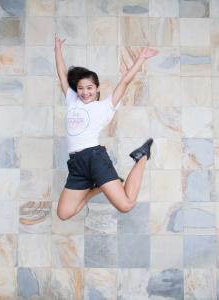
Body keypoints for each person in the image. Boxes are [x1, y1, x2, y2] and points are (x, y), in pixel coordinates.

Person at [55, 36, 158, 220]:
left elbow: (125, 82)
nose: (85, 92)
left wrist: (141, 58)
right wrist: (57, 49)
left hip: (94, 158)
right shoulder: (72, 101)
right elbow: (62, 74)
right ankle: (95, 189)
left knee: (126, 205)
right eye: (81, 88)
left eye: (89, 88)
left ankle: (142, 156)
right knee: (64, 213)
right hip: (76, 164)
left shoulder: (105, 106)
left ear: (96, 88)